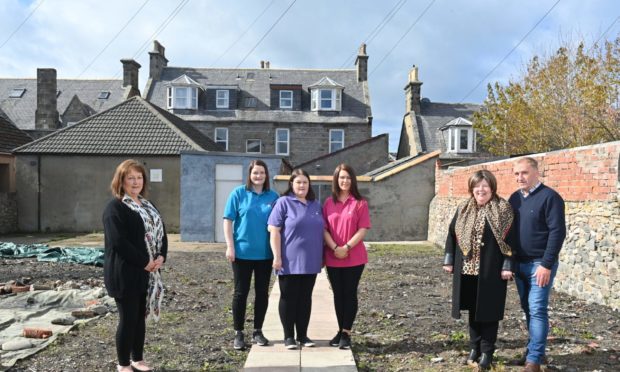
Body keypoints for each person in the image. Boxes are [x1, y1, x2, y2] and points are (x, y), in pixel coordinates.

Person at [443, 169, 515, 370]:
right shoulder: (464, 208)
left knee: (489, 312)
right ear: (471, 188)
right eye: (477, 186)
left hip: (491, 270)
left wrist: (508, 265)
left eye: (484, 185)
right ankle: (473, 347)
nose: (480, 189)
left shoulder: (504, 209)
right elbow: (451, 235)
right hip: (466, 269)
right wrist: (448, 260)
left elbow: (511, 240)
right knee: (473, 311)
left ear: (492, 187)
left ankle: (487, 352)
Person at [103, 159, 167, 372]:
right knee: (128, 319)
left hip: (146, 273)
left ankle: (137, 359)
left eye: (139, 177)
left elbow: (161, 234)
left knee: (140, 318)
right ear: (121, 181)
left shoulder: (148, 205)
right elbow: (118, 242)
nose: (135, 181)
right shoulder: (115, 208)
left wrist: (161, 257)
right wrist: (145, 262)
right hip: (124, 273)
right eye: (130, 178)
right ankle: (123, 364)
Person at [509, 157, 566, 372]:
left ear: (536, 172)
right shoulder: (514, 198)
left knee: (537, 309)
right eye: (516, 174)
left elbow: (557, 233)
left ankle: (533, 361)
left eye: (524, 173)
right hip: (520, 264)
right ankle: (535, 351)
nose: (519, 177)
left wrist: (546, 264)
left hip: (539, 265)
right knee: (528, 310)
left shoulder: (550, 197)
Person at [223, 160, 279, 350]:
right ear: (250, 174)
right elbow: (228, 221)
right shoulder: (238, 193)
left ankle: (258, 331)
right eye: (255, 173)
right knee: (241, 293)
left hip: (265, 255)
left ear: (266, 175)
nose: (258, 176)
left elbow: (280, 226)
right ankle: (238, 333)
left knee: (262, 293)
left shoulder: (273, 197)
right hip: (241, 254)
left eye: (262, 173)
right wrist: (230, 246)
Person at [267, 169, 324, 350]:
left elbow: (322, 231)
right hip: (288, 261)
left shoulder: (315, 205)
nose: (302, 186)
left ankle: (303, 335)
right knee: (288, 298)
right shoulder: (283, 203)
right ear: (291, 184)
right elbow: (274, 230)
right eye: (298, 182)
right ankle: (289, 336)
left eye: (305, 182)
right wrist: (277, 256)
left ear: (309, 185)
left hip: (311, 260)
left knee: (305, 298)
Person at [322, 164, 371, 350]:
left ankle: (346, 333)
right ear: (336, 180)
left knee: (349, 294)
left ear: (353, 180)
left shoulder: (360, 203)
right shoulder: (328, 203)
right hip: (333, 255)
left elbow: (363, 228)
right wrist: (335, 247)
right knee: (338, 294)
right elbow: (324, 229)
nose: (345, 181)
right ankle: (339, 329)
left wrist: (346, 247)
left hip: (354, 257)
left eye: (348, 178)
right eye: (341, 177)